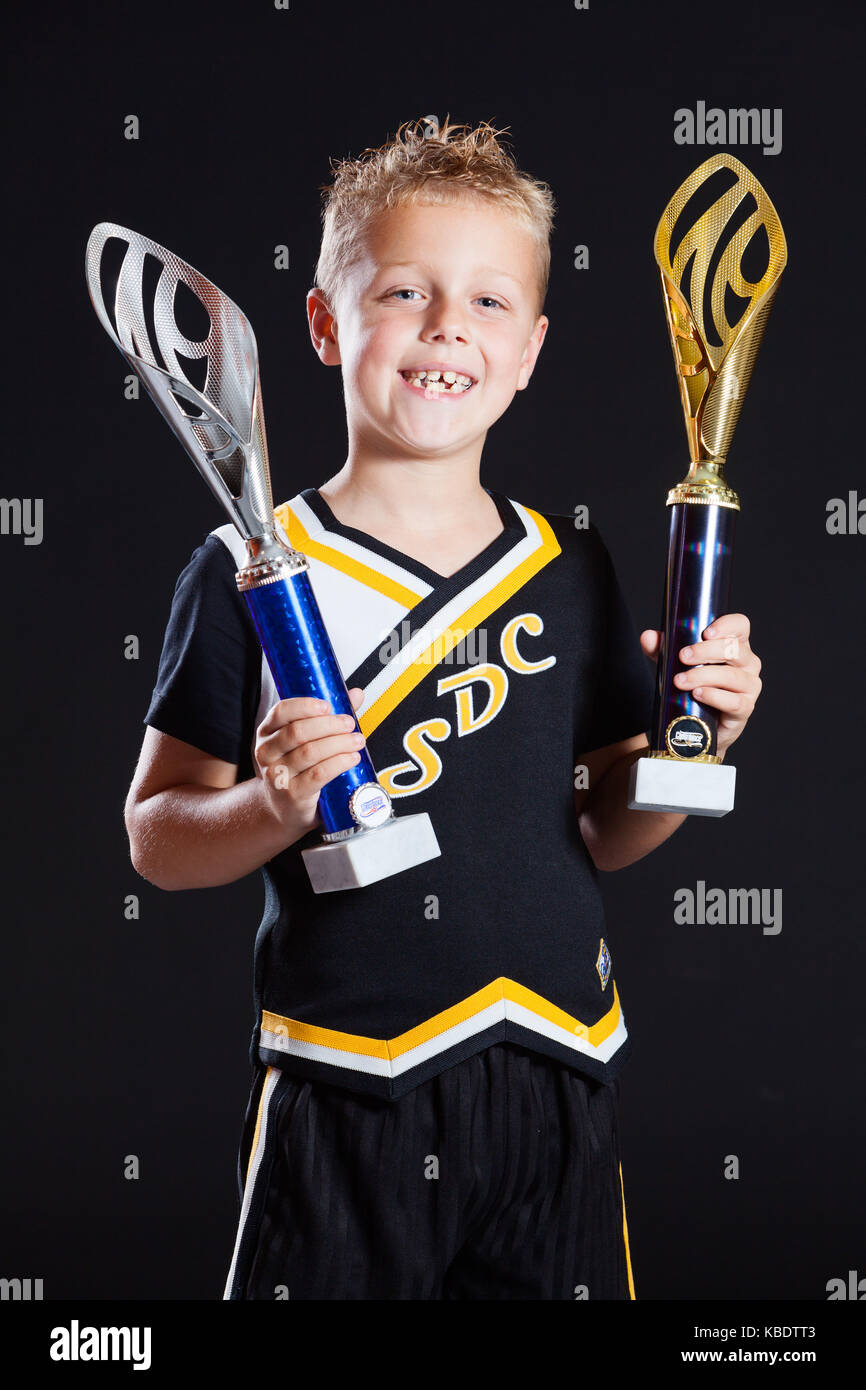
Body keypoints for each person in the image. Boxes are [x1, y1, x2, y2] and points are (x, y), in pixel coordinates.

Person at [124, 116, 763, 1300]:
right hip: (346, 1082)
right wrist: (273, 802)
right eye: (405, 291)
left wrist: (701, 739)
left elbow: (607, 827)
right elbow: (158, 837)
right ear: (323, 324)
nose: (444, 330)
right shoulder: (249, 567)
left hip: (559, 1072)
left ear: (530, 348)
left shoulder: (569, 565)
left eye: (486, 304)